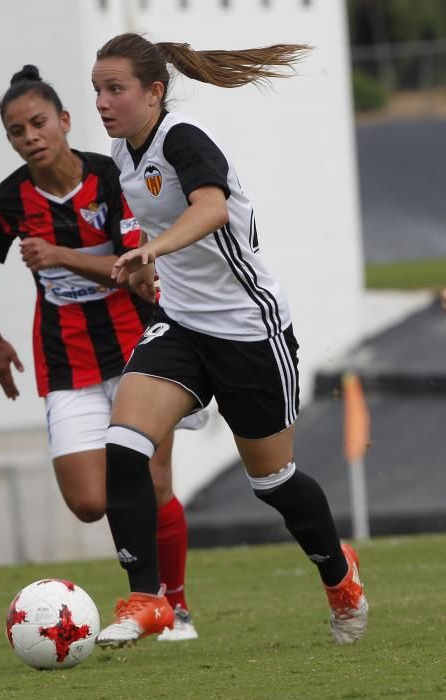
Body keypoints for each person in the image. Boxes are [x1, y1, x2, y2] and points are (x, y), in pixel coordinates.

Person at [90, 33, 369, 648]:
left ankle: (338, 573)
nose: (104, 103)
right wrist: (144, 267)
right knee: (122, 443)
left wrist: (152, 250)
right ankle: (146, 600)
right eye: (98, 91)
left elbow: (211, 209)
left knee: (272, 482)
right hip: (183, 325)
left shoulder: (183, 137)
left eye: (117, 89)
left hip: (249, 328)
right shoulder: (122, 151)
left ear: (154, 92)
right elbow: (156, 224)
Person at [0, 64, 205, 641]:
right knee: (88, 502)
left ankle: (172, 606)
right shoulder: (8, 201)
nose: (30, 137)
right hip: (65, 359)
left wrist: (61, 256)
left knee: (153, 482)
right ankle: (152, 596)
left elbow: (135, 269)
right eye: (17, 130)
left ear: (65, 121)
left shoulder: (110, 179)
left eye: (39, 122)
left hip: (137, 351)